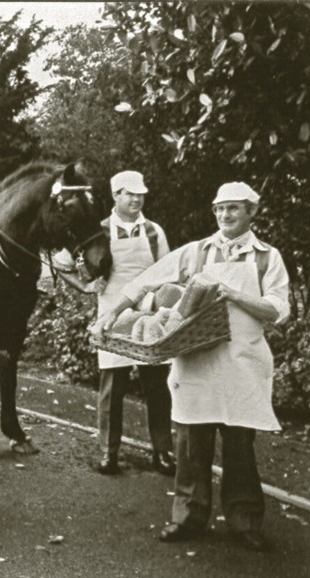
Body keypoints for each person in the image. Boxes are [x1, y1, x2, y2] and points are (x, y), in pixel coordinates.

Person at [93, 181, 290, 551]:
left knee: (239, 446)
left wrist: (233, 294)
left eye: (233, 208)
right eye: (219, 209)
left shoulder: (267, 257)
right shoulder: (198, 252)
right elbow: (145, 282)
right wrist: (112, 314)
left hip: (243, 364)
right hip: (196, 361)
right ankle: (188, 517)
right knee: (190, 446)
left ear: (252, 212)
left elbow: (279, 310)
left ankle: (244, 521)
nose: (225, 215)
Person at [95, 171, 175, 476]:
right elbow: (65, 262)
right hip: (111, 315)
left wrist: (155, 302)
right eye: (130, 193)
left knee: (157, 385)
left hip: (149, 314)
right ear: (116, 195)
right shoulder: (99, 231)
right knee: (112, 387)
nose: (136, 199)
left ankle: (162, 451)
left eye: (140, 193)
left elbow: (168, 272)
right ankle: (108, 452)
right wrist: (86, 285)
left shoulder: (154, 232)